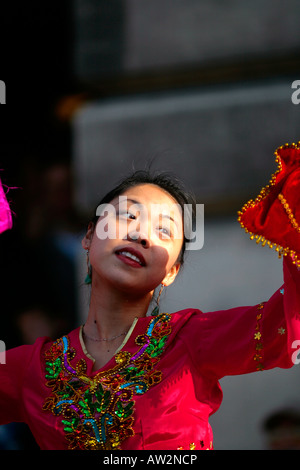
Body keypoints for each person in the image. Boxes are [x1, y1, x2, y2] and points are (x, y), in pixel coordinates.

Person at [0, 141, 300, 451]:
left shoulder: (190, 340)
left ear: (170, 272)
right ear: (89, 236)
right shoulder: (33, 369)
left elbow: (287, 325)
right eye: (128, 216)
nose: (141, 235)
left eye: (164, 231)